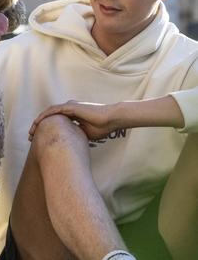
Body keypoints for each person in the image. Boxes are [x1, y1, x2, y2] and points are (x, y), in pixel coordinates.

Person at [0, 0, 197, 260]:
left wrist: (118, 114)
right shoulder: (18, 55)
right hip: (40, 243)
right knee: (57, 127)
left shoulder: (186, 61)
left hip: (148, 242)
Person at [29, 95, 198, 260]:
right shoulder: (14, 68)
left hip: (147, 234)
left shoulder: (187, 70)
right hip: (45, 241)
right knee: (55, 127)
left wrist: (116, 114)